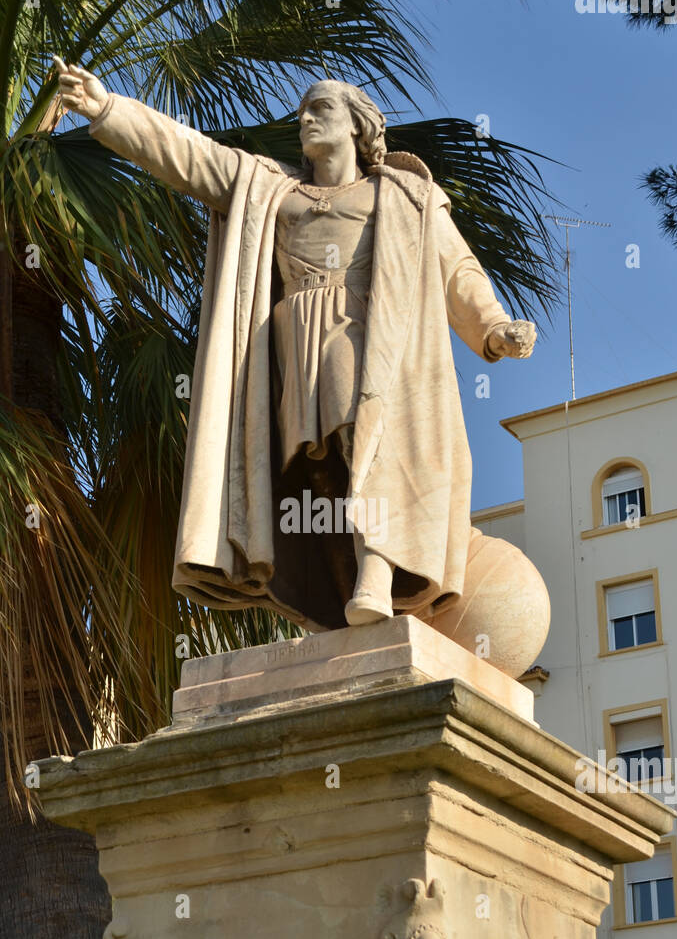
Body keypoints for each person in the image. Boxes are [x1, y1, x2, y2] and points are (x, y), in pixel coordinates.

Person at [54, 59, 536, 631]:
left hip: (364, 336)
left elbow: (457, 268)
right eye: (303, 110)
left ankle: (378, 568)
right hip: (288, 348)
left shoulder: (404, 196)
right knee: (315, 469)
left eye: (321, 108)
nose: (305, 118)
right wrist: (108, 108)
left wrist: (492, 326)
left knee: (365, 436)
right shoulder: (270, 189)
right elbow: (188, 156)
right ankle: (332, 591)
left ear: (358, 126)